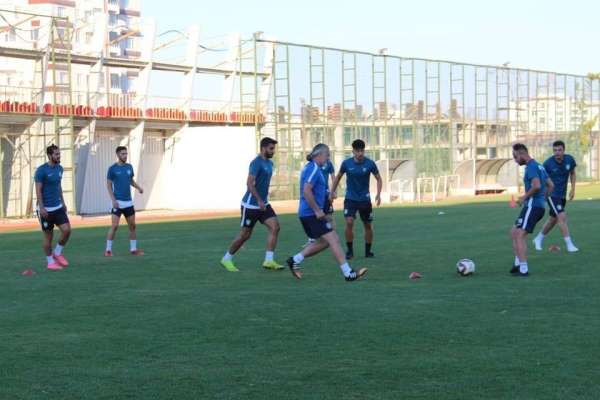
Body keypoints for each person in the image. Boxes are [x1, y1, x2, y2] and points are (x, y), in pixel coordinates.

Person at [286, 143, 367, 281]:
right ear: (319, 154)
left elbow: (314, 189)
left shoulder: (312, 168)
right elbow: (306, 191)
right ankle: (348, 273)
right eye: (327, 155)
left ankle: (295, 260)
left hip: (308, 213)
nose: (328, 158)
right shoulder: (313, 169)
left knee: (325, 242)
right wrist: (317, 210)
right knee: (333, 239)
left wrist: (328, 193)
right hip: (310, 213)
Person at [220, 137, 283, 272]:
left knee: (275, 227)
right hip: (251, 205)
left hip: (263, 204)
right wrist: (259, 199)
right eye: (271, 148)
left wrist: (264, 198)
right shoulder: (256, 163)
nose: (273, 151)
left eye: (274, 148)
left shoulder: (270, 164)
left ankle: (269, 260)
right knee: (245, 234)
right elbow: (249, 183)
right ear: (263, 148)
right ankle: (226, 259)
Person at [330, 139, 382, 259]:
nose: (360, 154)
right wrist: (332, 191)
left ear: (364, 150)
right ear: (353, 151)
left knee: (368, 225)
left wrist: (378, 194)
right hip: (350, 198)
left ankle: (368, 252)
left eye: (362, 151)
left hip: (365, 199)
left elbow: (379, 179)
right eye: (357, 151)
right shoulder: (346, 163)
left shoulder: (370, 164)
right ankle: (349, 251)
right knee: (349, 222)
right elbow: (337, 177)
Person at [510, 143, 554, 277]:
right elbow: (550, 185)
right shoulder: (539, 166)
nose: (515, 160)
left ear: (521, 154)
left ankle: (523, 269)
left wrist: (524, 197)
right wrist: (542, 200)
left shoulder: (531, 167)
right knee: (513, 232)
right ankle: (518, 263)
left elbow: (536, 186)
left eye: (515, 156)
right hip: (536, 206)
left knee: (519, 235)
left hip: (532, 206)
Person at [533, 140, 579, 252]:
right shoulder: (548, 164)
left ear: (564, 150)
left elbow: (572, 173)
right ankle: (569, 245)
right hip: (552, 195)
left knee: (553, 219)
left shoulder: (569, 160)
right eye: (555, 150)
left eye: (559, 150)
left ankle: (538, 239)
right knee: (562, 216)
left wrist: (573, 189)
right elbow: (540, 178)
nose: (557, 152)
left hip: (562, 195)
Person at [34, 144, 71, 271]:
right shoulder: (41, 170)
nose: (59, 156)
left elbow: (58, 186)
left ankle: (58, 252)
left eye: (59, 153)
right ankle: (50, 262)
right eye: (56, 154)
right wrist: (42, 207)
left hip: (58, 206)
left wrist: (63, 202)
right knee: (48, 238)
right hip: (46, 209)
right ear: (50, 156)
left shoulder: (60, 169)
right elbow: (38, 190)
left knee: (67, 230)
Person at [105, 146, 145, 256]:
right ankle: (108, 250)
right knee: (115, 226)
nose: (125, 156)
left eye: (126, 154)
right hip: (118, 202)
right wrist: (113, 200)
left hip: (128, 202)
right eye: (123, 154)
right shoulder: (112, 169)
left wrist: (138, 187)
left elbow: (130, 180)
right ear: (117, 155)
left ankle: (133, 250)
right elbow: (108, 185)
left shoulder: (129, 167)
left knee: (132, 225)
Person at [304, 155, 336, 246]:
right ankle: (312, 239)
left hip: (325, 194)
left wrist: (333, 191)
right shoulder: (312, 165)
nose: (328, 156)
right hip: (315, 195)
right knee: (312, 216)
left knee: (329, 216)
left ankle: (332, 238)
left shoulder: (329, 164)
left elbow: (334, 178)